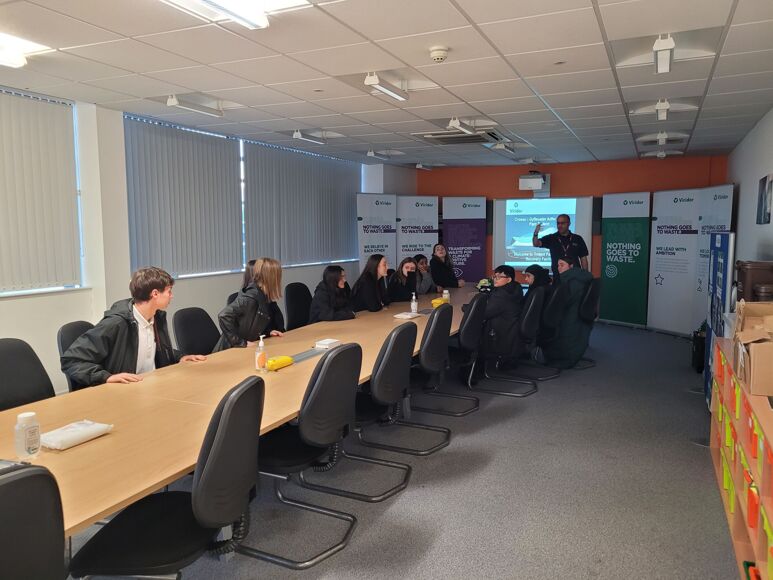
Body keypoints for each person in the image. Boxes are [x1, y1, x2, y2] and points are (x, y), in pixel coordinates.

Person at [61, 267, 206, 388]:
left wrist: (180, 357)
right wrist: (106, 377)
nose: (171, 296)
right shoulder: (116, 323)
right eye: (169, 291)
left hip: (152, 387)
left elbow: (152, 350)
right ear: (155, 294)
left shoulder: (157, 318)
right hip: (124, 394)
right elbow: (71, 360)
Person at [214, 257, 285, 351]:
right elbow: (223, 315)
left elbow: (252, 323)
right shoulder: (250, 297)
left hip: (245, 349)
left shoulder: (262, 295)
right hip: (229, 350)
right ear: (271, 277)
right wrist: (239, 342)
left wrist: (268, 332)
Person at [542, 256, 593, 369]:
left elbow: (565, 301)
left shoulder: (573, 281)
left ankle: (559, 358)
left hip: (571, 316)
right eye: (558, 265)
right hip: (579, 315)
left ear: (571, 266)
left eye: (562, 265)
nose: (558, 268)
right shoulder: (581, 277)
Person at [532, 214, 589, 280]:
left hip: (575, 277)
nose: (560, 226)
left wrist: (585, 276)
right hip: (558, 277)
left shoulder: (577, 238)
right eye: (558, 223)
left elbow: (583, 258)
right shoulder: (552, 238)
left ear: (569, 223)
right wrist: (536, 233)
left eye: (562, 223)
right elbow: (536, 244)